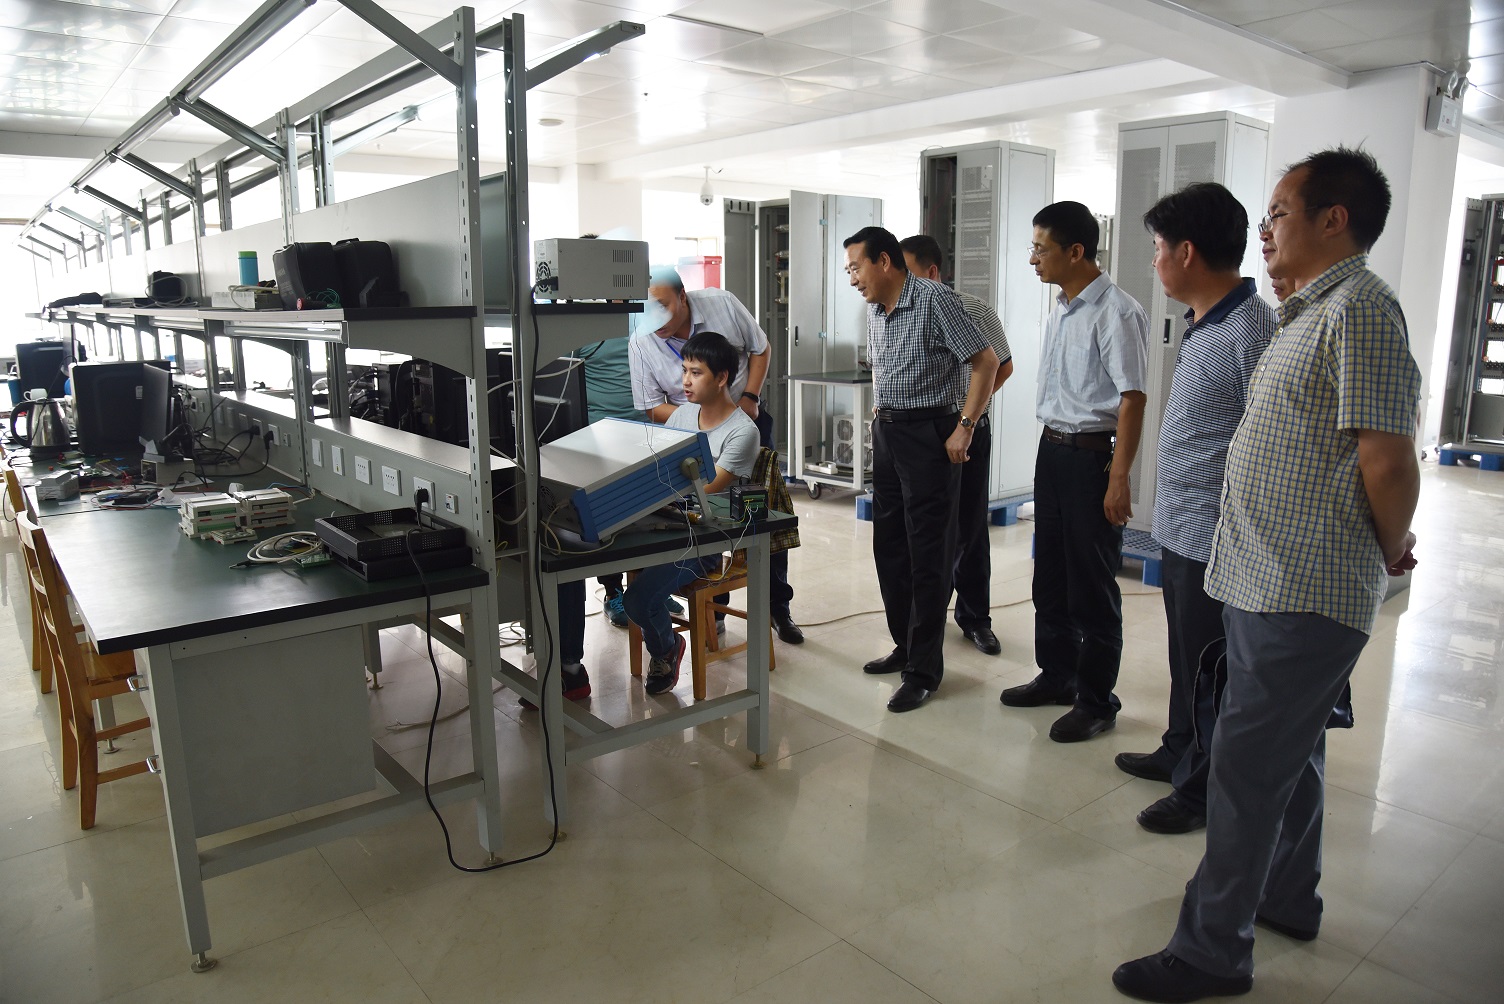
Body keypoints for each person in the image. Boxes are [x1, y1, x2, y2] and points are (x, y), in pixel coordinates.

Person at [1112, 147, 1422, 1003]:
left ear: (1334, 220)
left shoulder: (1361, 309)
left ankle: (1212, 952)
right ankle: (1288, 898)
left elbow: (1387, 458)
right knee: (1296, 755)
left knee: (1244, 773)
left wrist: (1390, 545)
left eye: (1280, 212)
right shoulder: (1309, 313)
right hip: (1265, 579)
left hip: (1302, 587)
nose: (1267, 229)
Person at [1110, 183, 1274, 834]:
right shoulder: (1206, 322)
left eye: (1157, 248)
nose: (1154, 261)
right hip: (1181, 530)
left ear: (1186, 252)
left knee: (1212, 669)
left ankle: (1202, 788)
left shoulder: (1251, 331)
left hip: (1217, 538)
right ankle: (1179, 746)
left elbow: (1267, 442)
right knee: (1186, 656)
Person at [1000, 201, 1148, 743]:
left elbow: (1132, 398)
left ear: (1076, 251)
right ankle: (1057, 674)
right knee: (1051, 574)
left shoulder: (1118, 312)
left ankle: (1096, 700)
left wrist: (1119, 477)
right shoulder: (1060, 310)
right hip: (1054, 451)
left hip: (1092, 458)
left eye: (1041, 249)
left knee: (1091, 582)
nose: (1033, 259)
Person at [845, 226, 999, 713]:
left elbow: (987, 362)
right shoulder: (875, 309)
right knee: (890, 546)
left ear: (883, 261)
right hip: (889, 433)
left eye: (856, 268)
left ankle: (924, 671)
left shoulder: (934, 300)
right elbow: (881, 365)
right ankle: (906, 645)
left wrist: (964, 427)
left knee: (929, 553)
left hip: (930, 433)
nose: (853, 279)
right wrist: (879, 412)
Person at [629, 267, 804, 645]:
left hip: (743, 416)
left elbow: (760, 348)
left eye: (662, 305)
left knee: (759, 516)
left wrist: (747, 400)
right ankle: (714, 610)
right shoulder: (641, 340)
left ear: (683, 297)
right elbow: (651, 406)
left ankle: (777, 606)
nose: (655, 318)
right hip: (691, 429)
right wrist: (696, 417)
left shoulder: (721, 304)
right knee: (698, 513)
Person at [621, 331, 762, 695]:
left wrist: (659, 487)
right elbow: (657, 468)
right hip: (666, 524)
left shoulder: (742, 432)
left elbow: (707, 489)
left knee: (637, 599)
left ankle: (667, 649)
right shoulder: (683, 415)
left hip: (703, 541)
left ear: (722, 377)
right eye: (684, 370)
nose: (685, 380)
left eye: (696, 372)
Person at [899, 234, 1014, 656]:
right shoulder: (898, 310)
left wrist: (968, 417)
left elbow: (1002, 366)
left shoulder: (972, 309)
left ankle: (975, 618)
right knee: (924, 529)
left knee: (969, 525)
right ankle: (923, 617)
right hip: (921, 434)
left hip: (967, 431)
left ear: (931, 272)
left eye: (908, 273)